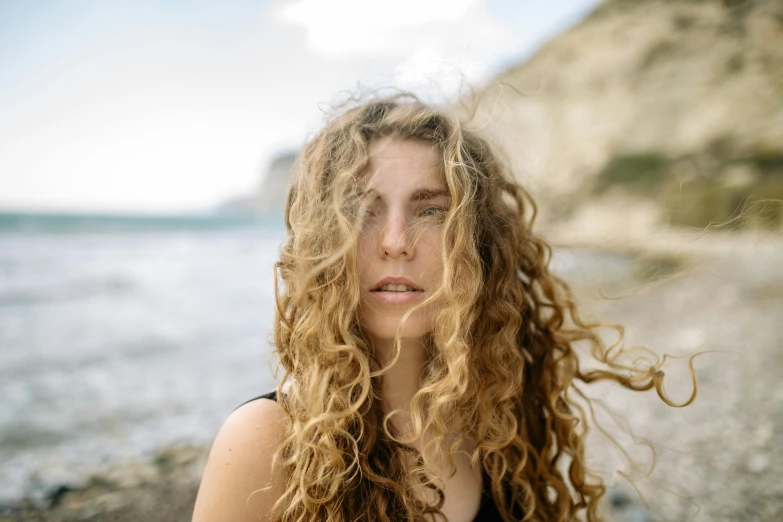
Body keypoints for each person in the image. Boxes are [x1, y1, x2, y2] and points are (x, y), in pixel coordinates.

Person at [192, 94, 691, 522]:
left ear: (479, 244)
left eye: (430, 210)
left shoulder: (500, 423)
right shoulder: (267, 440)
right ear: (323, 243)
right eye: (361, 211)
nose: (395, 242)